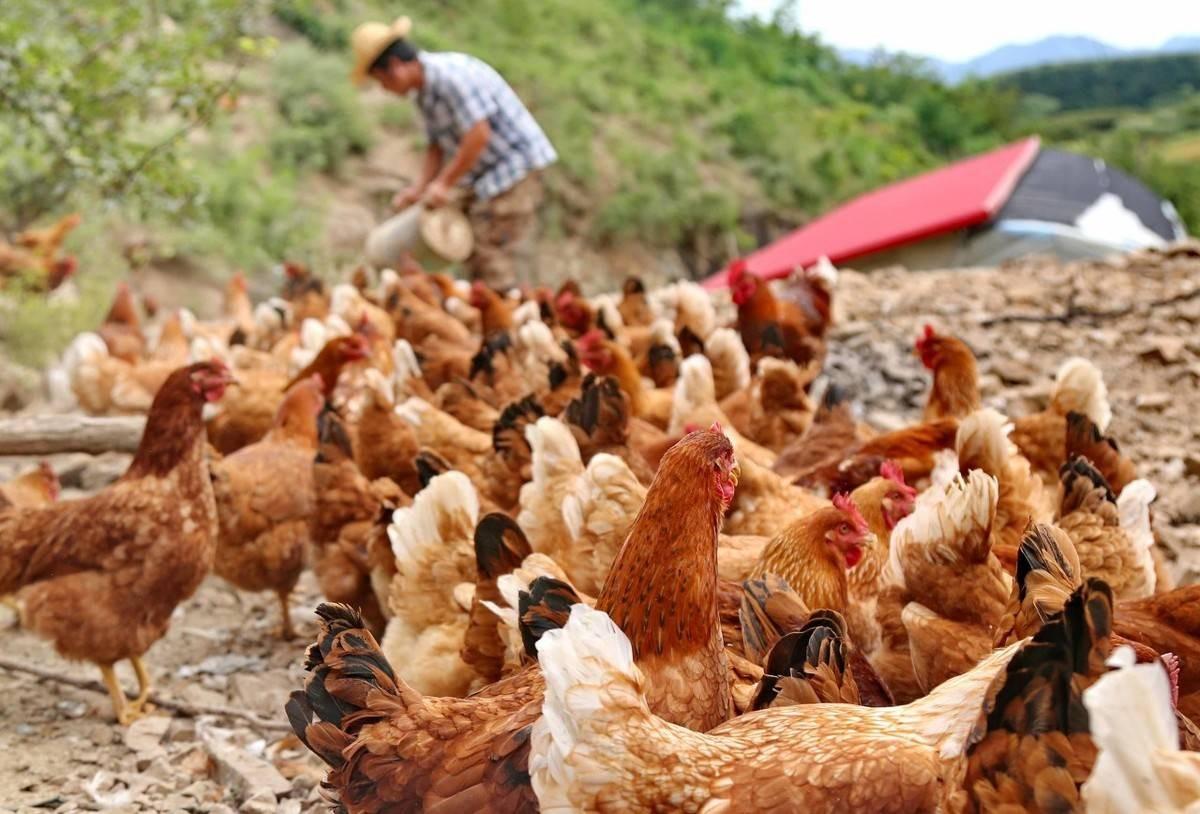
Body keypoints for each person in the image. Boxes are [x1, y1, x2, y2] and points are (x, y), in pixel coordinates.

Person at [350, 17, 557, 289]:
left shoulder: (451, 77)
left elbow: (478, 134)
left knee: (490, 251)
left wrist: (444, 183)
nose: (384, 89)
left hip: (514, 167)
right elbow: (436, 145)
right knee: (465, 243)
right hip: (486, 172)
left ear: (395, 68)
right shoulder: (423, 92)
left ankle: (504, 316)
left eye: (381, 81)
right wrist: (421, 188)